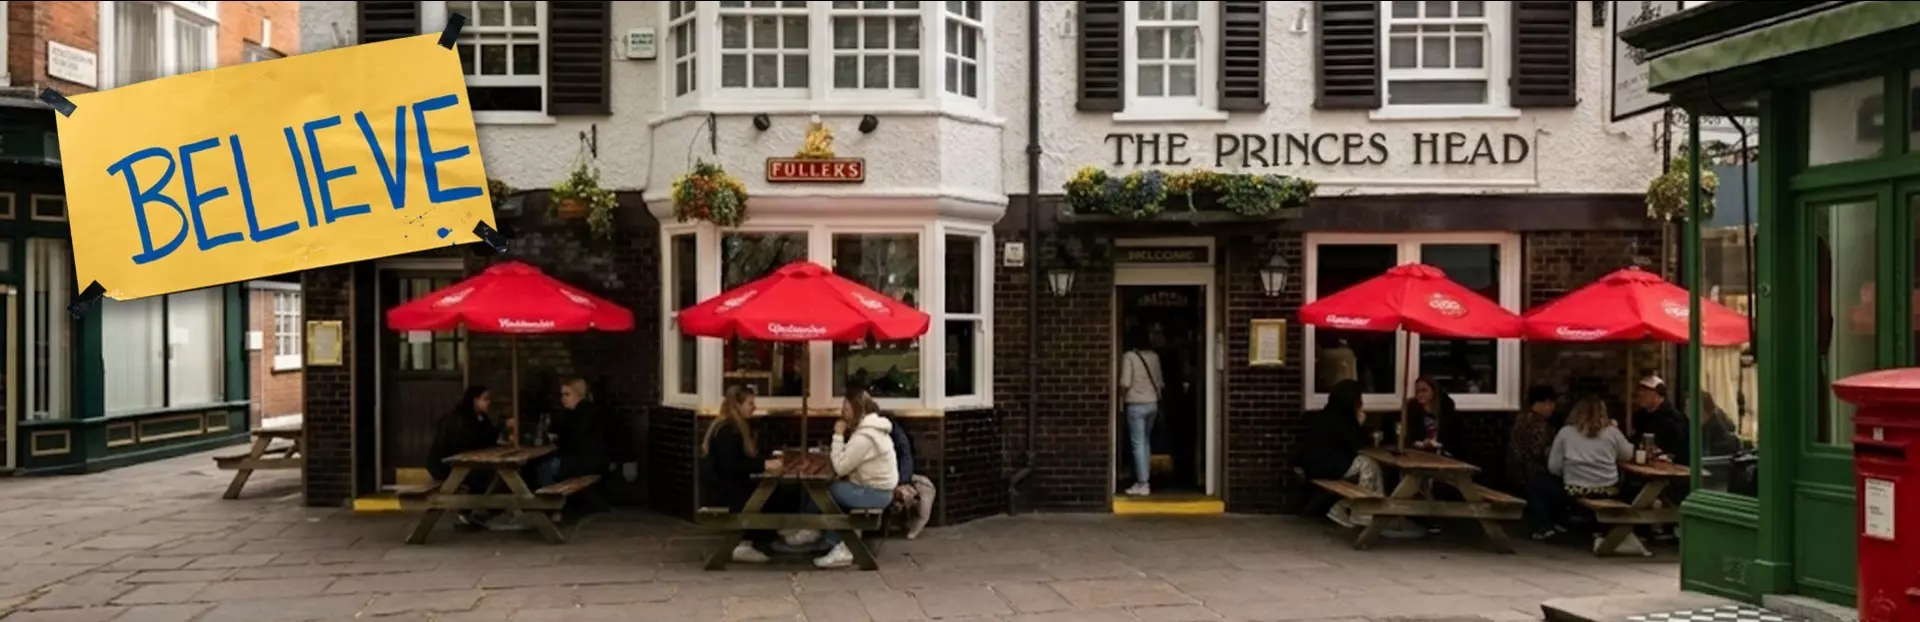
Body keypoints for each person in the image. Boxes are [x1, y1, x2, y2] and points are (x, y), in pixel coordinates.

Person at [782, 389, 900, 569]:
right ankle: (826, 537)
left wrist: (837, 435)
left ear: (856, 409)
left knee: (826, 490)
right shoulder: (870, 431)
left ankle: (817, 532)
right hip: (877, 490)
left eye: (846, 409)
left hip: (874, 494)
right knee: (832, 492)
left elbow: (840, 467)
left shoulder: (865, 437)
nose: (842, 413)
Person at [1527, 397, 1634, 541]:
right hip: (1608, 490)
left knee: (1537, 484)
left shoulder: (1566, 432)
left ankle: (1546, 526)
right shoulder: (1612, 432)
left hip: (1574, 490)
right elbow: (1628, 455)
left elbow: (1554, 467)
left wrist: (1569, 471)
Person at [700, 385, 786, 564]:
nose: (754, 408)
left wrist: (765, 461)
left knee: (777, 490)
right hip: (725, 493)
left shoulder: (735, 427)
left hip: (729, 486)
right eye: (750, 403)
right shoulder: (726, 431)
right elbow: (731, 466)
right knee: (773, 494)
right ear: (737, 405)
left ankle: (768, 537)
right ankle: (748, 541)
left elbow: (742, 460)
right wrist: (764, 464)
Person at [1299, 380, 1383, 528]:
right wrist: (1359, 423)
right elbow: (1355, 444)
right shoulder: (1343, 420)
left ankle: (1350, 507)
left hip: (1314, 466)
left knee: (1369, 466)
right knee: (1369, 465)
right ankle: (1362, 511)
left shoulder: (1325, 415)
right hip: (1329, 467)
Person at [426, 386, 503, 529]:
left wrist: (499, 427)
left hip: (463, 462)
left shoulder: (481, 418)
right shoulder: (458, 420)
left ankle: (476, 512)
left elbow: (487, 440)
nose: (489, 402)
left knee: (490, 473)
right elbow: (467, 444)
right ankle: (468, 511)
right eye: (485, 399)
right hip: (445, 465)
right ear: (475, 400)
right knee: (483, 474)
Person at [534, 379, 612, 518]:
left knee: (544, 467)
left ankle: (549, 507)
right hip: (593, 461)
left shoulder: (579, 414)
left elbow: (572, 440)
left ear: (578, 394)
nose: (563, 399)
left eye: (567, 394)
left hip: (583, 462)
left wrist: (556, 439)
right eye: (562, 395)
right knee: (546, 465)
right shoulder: (588, 411)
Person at [1118, 327, 1165, 497]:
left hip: (1136, 404)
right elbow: (1160, 382)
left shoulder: (1129, 356)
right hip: (1152, 403)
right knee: (1145, 442)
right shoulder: (1154, 356)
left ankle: (1142, 483)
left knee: (1138, 444)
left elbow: (1125, 382)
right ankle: (1145, 479)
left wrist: (1120, 400)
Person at [880, 409, 936, 539]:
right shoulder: (893, 435)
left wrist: (902, 480)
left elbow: (906, 458)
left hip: (896, 475)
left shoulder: (897, 436)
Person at [1384, 377, 1462, 456]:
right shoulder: (1413, 411)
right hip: (1420, 454)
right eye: (1417, 392)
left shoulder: (1446, 411)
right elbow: (1410, 438)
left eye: (1424, 390)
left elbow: (1454, 439)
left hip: (1444, 455)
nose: (1420, 394)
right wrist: (1422, 443)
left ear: (1434, 391)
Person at [1507, 385, 1559, 493]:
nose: (1553, 407)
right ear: (1540, 403)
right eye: (1550, 403)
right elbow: (1541, 452)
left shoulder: (1521, 418)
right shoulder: (1539, 425)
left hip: (1516, 474)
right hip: (1535, 477)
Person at [1631, 375, 1690, 464]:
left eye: (1645, 391)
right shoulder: (1640, 416)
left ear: (1656, 394)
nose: (1640, 394)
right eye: (1640, 391)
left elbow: (1681, 450)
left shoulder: (1673, 418)